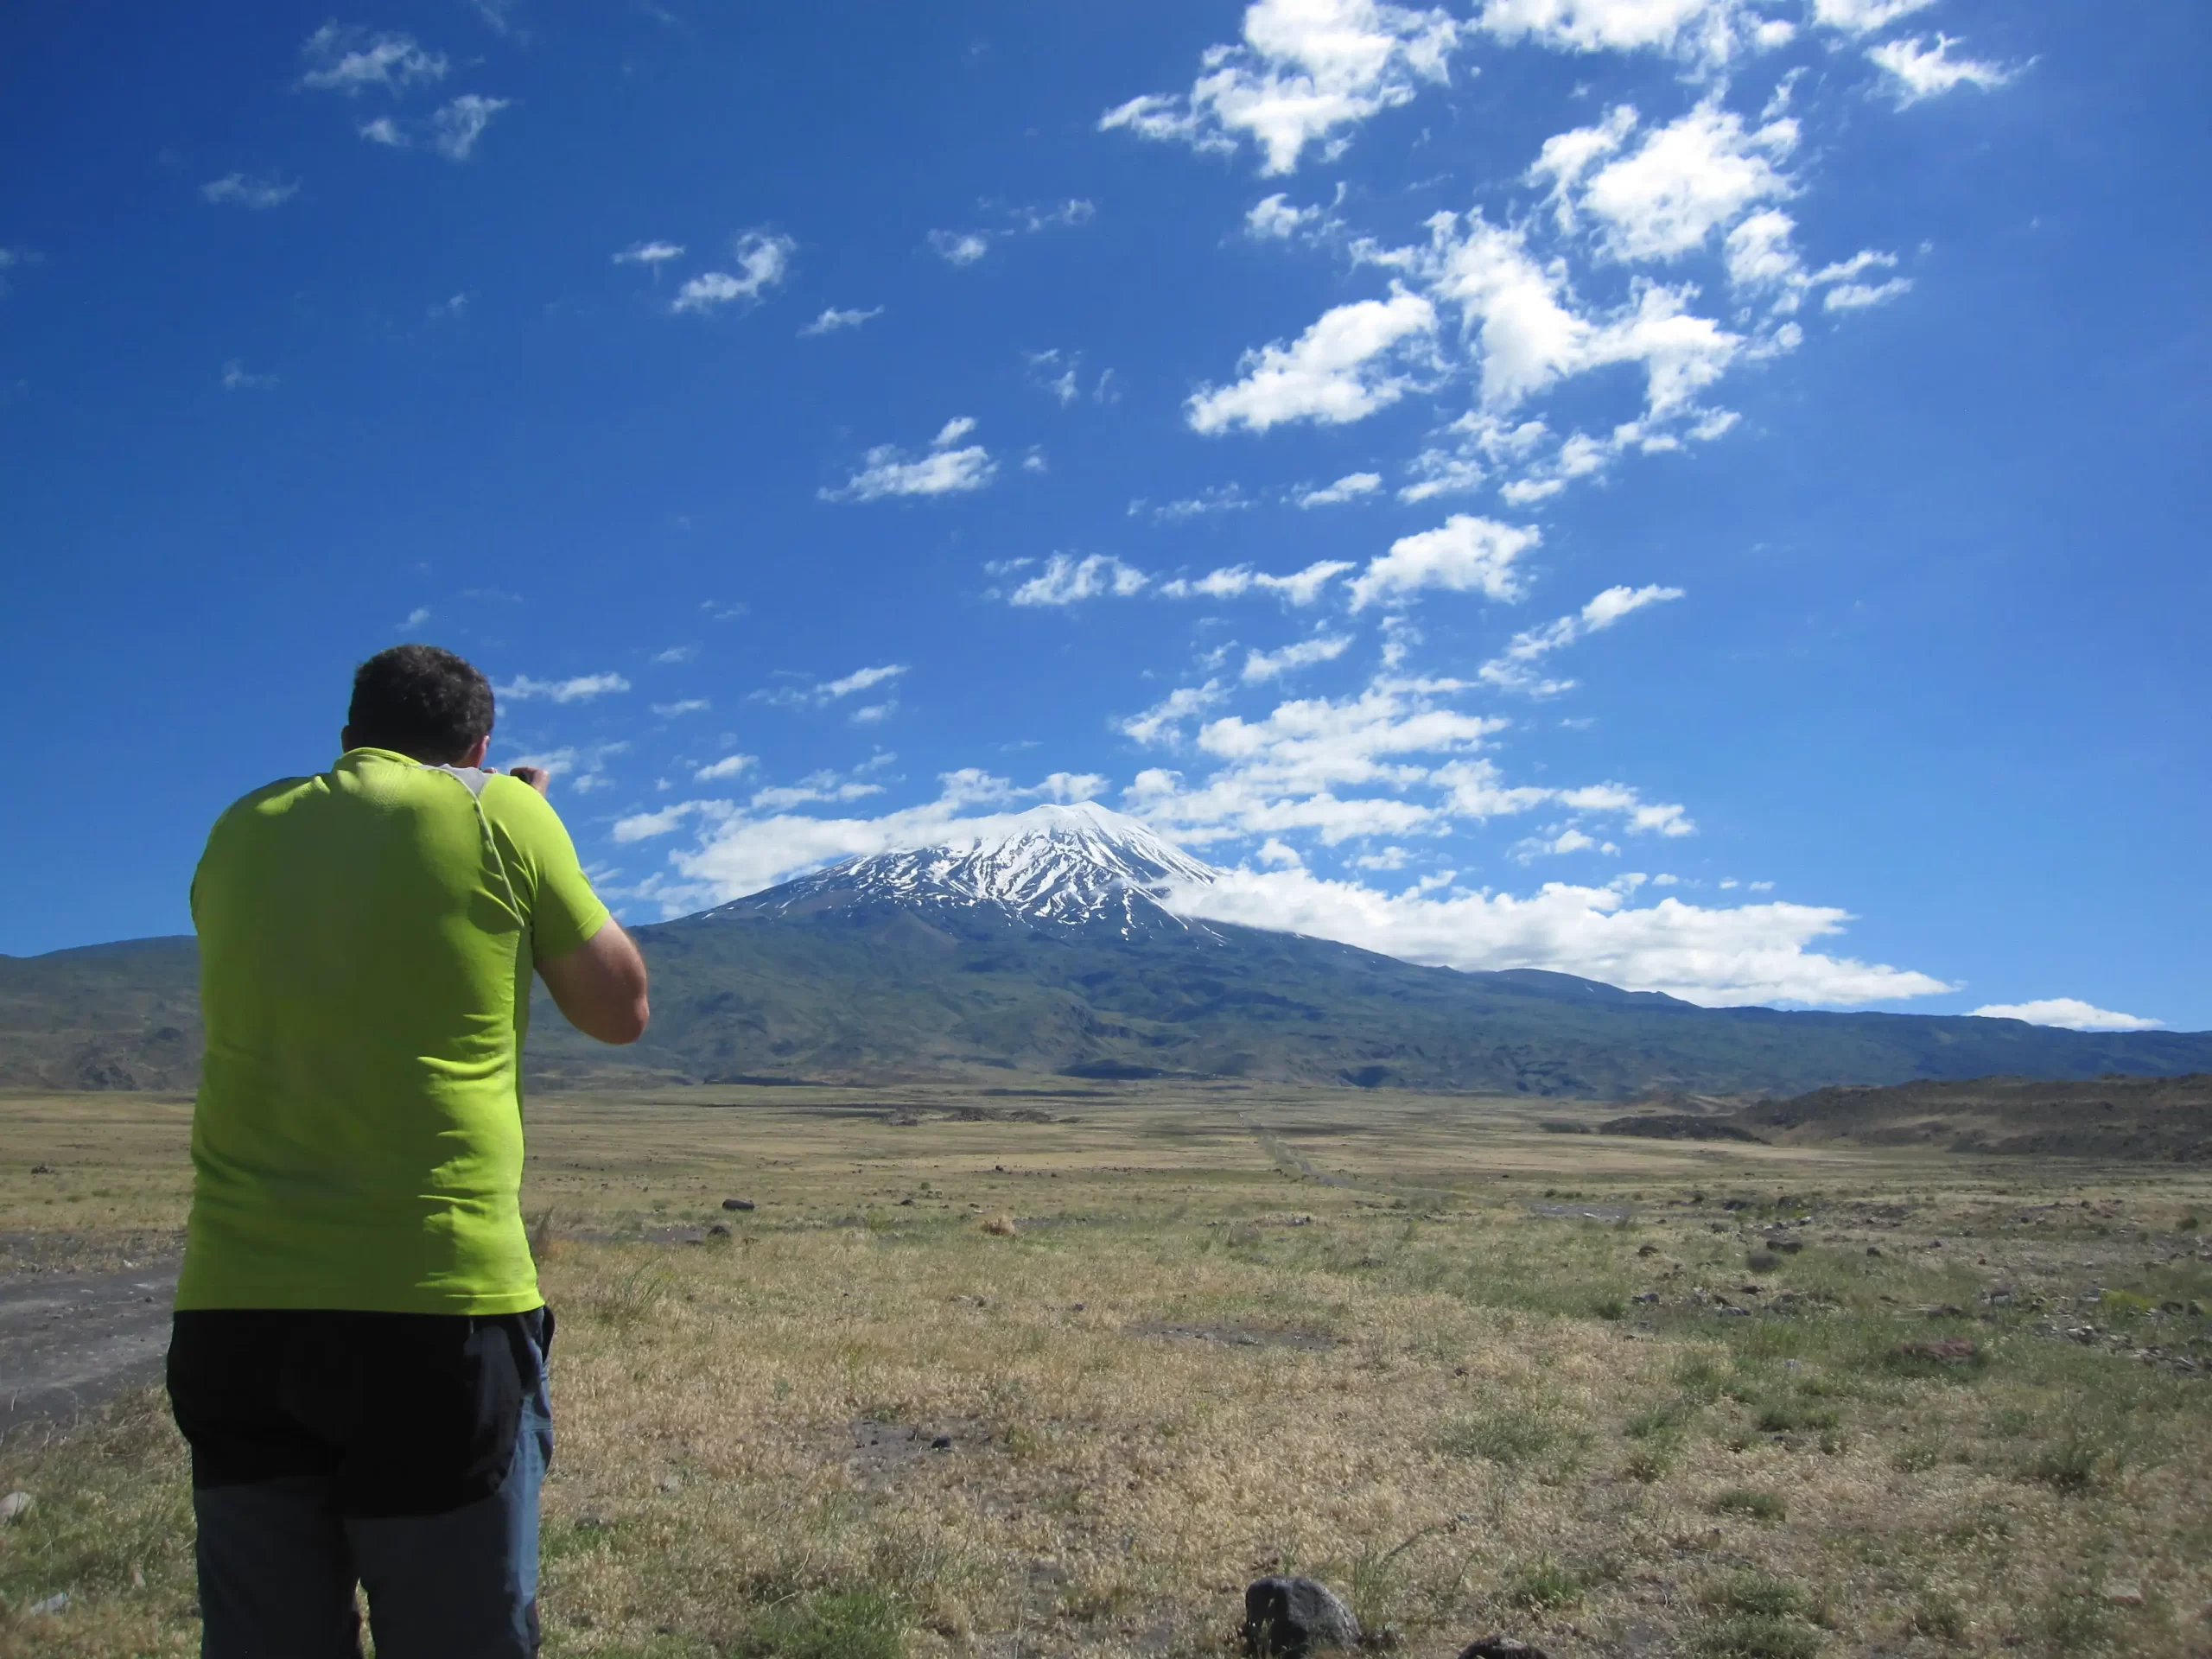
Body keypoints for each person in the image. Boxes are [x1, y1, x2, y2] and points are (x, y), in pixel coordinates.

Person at [166, 644, 649, 1658]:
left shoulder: (240, 829)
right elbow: (619, 1009)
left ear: (347, 739)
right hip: (435, 1309)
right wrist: (527, 818)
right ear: (478, 747)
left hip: (236, 1312)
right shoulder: (502, 813)